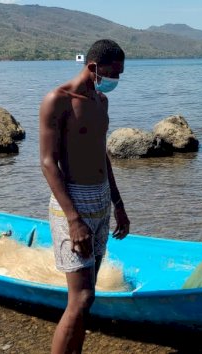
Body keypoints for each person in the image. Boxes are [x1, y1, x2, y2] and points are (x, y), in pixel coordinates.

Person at [39, 39, 131, 354]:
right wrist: (73, 218)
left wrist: (118, 204)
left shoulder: (101, 100)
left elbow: (102, 154)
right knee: (80, 297)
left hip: (101, 200)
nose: (116, 78)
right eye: (112, 72)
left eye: (120, 72)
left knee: (88, 296)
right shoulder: (58, 100)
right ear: (93, 67)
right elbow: (48, 163)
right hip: (72, 204)